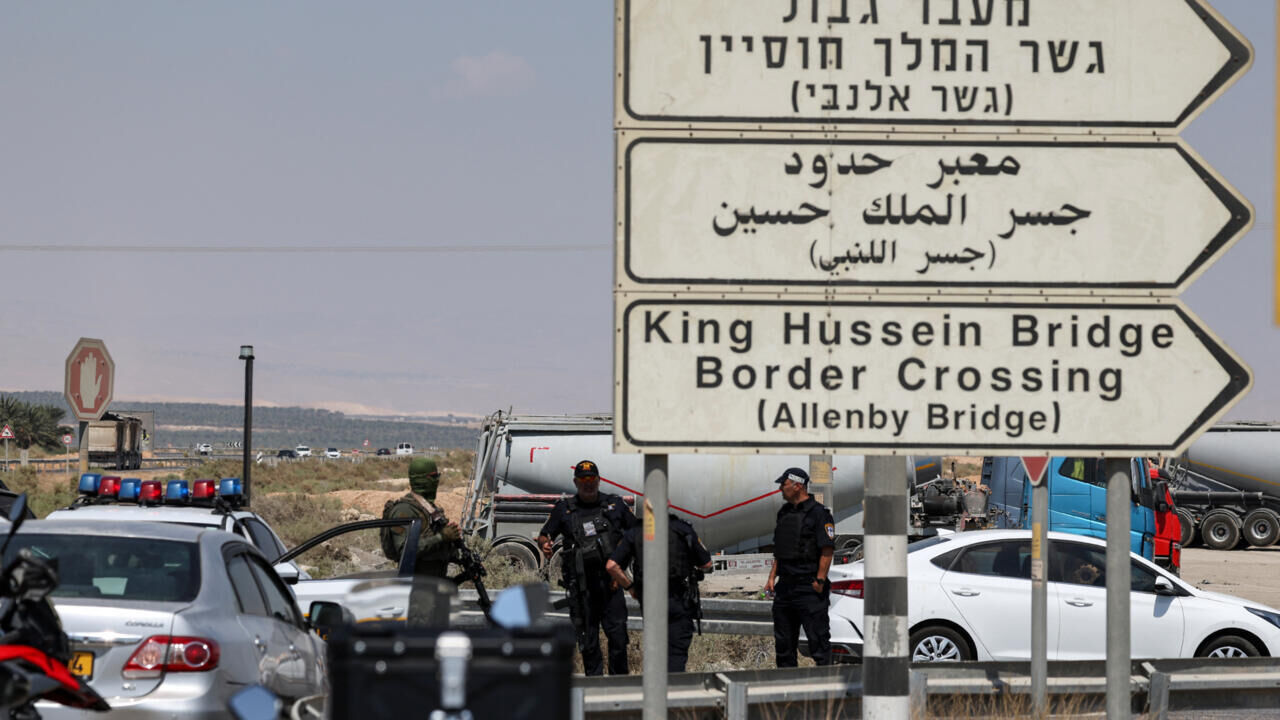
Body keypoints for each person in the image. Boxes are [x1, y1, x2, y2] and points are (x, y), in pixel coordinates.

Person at [535, 460, 639, 675]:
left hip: (611, 587)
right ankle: (594, 688)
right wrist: (544, 544)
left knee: (618, 640)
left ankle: (620, 687)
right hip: (582, 591)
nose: (588, 483)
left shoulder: (614, 505)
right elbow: (545, 534)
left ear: (599, 481)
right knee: (589, 644)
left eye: (592, 479)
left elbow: (636, 533)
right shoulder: (565, 509)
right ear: (576, 482)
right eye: (583, 479)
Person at [605, 513, 713, 673]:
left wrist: (631, 588)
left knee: (655, 655)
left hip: (651, 603)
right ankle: (673, 686)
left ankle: (656, 687)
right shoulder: (682, 529)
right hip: (678, 600)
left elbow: (612, 566)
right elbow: (707, 564)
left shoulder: (636, 532)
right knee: (676, 656)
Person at [765, 467, 835, 667]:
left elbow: (827, 549)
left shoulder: (819, 514)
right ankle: (787, 686)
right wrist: (771, 578)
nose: (780, 488)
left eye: (784, 484)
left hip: (809, 587)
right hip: (785, 587)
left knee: (818, 643)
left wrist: (820, 580)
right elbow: (780, 549)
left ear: (797, 486)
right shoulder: (784, 513)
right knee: (784, 646)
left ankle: (827, 684)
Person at [381, 457, 461, 625]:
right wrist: (441, 537)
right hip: (417, 591)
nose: (436, 481)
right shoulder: (404, 511)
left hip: (435, 586)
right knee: (421, 634)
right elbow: (404, 550)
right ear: (421, 479)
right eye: (433, 477)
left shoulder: (430, 510)